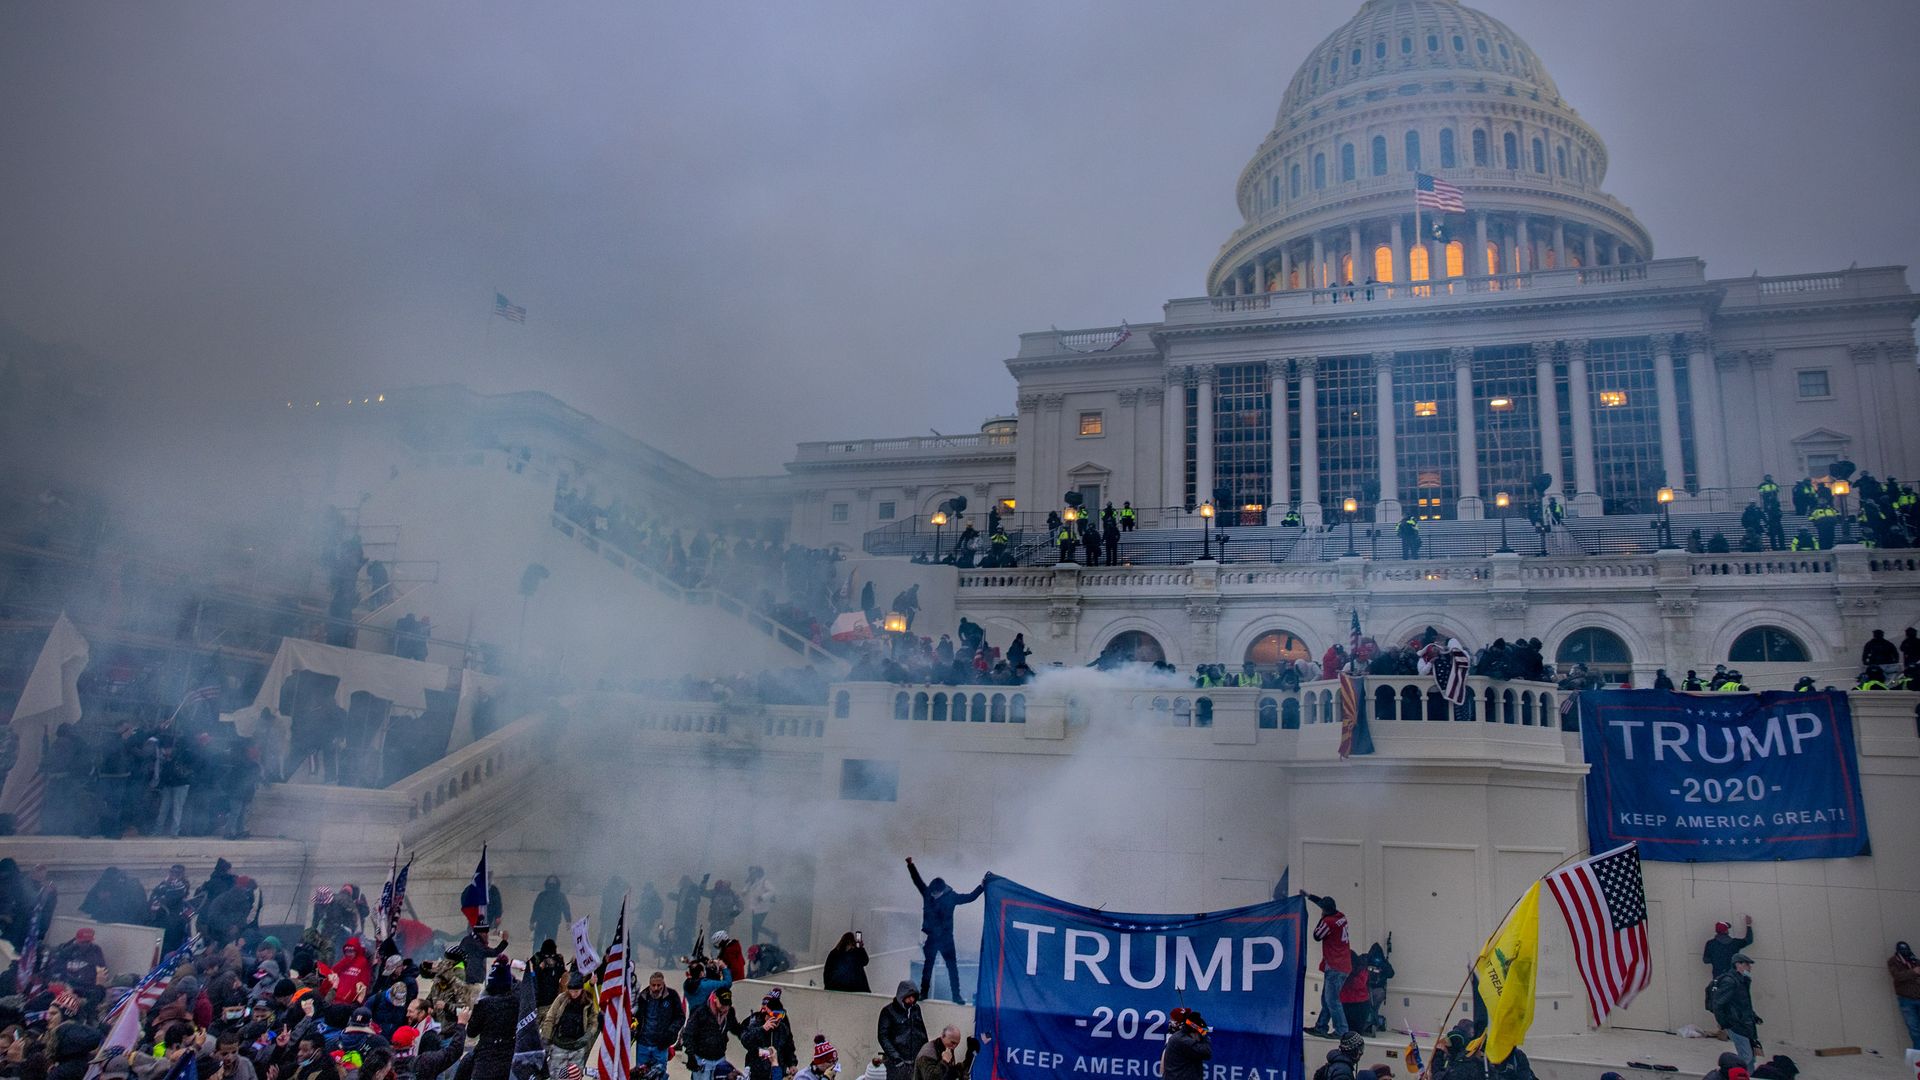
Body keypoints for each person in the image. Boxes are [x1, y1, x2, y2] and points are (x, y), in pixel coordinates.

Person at [905, 858, 985, 1003]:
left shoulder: (951, 897)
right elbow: (917, 880)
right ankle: (924, 993)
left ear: (942, 891)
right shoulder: (927, 893)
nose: (933, 895)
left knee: (952, 967)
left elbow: (970, 897)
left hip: (946, 938)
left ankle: (956, 995)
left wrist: (982, 886)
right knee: (928, 967)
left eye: (936, 893)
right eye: (932, 893)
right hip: (932, 938)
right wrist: (910, 865)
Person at [1307, 894, 1353, 1038]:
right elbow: (1323, 903)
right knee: (1327, 999)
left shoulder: (1328, 922)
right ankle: (1321, 1027)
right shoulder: (1341, 916)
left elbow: (1316, 935)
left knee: (1332, 1000)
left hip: (1335, 966)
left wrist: (1322, 918)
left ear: (1325, 911)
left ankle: (1341, 1031)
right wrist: (1309, 896)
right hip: (1343, 965)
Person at [465, 963, 519, 1080]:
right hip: (509, 1054)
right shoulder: (517, 1002)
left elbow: (471, 1032)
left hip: (486, 1056)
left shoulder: (484, 1004)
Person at [540, 972, 597, 1080]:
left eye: (576, 991)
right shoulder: (561, 999)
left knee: (574, 1077)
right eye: (571, 991)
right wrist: (546, 1039)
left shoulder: (588, 1002)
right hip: (559, 1046)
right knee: (555, 1076)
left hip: (577, 1048)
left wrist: (587, 1036)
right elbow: (550, 1018)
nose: (573, 994)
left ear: (581, 989)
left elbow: (593, 1022)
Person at [1708, 954, 1761, 1070]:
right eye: (1746, 964)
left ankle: (1746, 1076)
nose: (1749, 968)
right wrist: (1724, 1023)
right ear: (1738, 965)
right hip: (1736, 1024)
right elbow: (1718, 1004)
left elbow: (1743, 1003)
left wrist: (1753, 1016)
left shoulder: (1742, 981)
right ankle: (1736, 1076)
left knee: (1751, 1058)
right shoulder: (1730, 981)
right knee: (1746, 1057)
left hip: (1745, 1024)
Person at [681, 984, 742, 1080]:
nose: (725, 1007)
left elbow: (735, 1028)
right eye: (722, 1004)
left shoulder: (729, 1013)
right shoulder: (701, 1012)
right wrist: (690, 1055)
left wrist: (745, 1033)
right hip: (702, 1059)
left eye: (727, 1004)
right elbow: (688, 1034)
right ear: (715, 999)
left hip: (719, 1058)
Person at [739, 990, 797, 1080]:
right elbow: (745, 1040)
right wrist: (762, 1029)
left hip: (776, 1072)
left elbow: (789, 1048)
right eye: (774, 1015)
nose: (777, 1019)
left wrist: (792, 1064)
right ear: (766, 1014)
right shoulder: (755, 1025)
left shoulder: (783, 1028)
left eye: (781, 1016)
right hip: (757, 1074)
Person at [633, 971, 685, 1069]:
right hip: (643, 1044)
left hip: (661, 1046)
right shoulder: (643, 996)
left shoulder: (672, 996)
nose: (656, 988)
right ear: (649, 984)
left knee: (660, 1074)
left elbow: (680, 1017)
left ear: (663, 984)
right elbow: (635, 1016)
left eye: (658, 985)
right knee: (640, 1074)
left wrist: (671, 1032)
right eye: (653, 985)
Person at [877, 982, 927, 1080]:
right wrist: (896, 1059)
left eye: (913, 997)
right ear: (901, 995)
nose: (911, 1000)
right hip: (896, 1064)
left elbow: (922, 1033)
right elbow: (883, 1037)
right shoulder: (888, 1011)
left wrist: (924, 1054)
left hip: (913, 1063)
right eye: (909, 997)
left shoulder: (915, 1009)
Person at [1159, 1008, 1212, 1080]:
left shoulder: (1179, 1036)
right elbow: (1206, 1052)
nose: (1199, 1039)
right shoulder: (1183, 1041)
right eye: (1199, 1034)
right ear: (1193, 1032)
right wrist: (1204, 1034)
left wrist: (1199, 1030)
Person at [1889, 941, 1920, 1051]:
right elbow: (1897, 976)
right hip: (1906, 999)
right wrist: (1913, 972)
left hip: (1918, 996)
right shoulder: (1894, 961)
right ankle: (1918, 1056)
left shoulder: (1914, 960)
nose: (1905, 951)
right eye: (1902, 949)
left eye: (1906, 949)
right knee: (1914, 1030)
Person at [1703, 916, 1754, 980]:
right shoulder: (1734, 943)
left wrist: (1717, 959)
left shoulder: (1710, 944)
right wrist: (1748, 925)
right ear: (1726, 931)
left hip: (1718, 977)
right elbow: (1749, 940)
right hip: (1733, 977)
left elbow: (1706, 960)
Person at [530, 876, 572, 946]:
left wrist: (568, 920)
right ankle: (536, 956)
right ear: (547, 883)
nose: (552, 883)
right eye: (550, 881)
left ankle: (549, 956)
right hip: (541, 922)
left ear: (557, 883)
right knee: (538, 942)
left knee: (550, 943)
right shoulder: (542, 895)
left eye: (554, 882)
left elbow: (566, 908)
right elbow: (536, 908)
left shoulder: (561, 896)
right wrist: (532, 921)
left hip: (553, 923)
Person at [745, 866, 777, 946]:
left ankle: (772, 934)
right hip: (755, 908)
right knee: (754, 928)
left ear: (759, 873)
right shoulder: (753, 881)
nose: (752, 874)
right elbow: (746, 889)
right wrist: (744, 891)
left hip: (763, 908)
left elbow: (772, 890)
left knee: (756, 926)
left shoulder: (764, 881)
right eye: (751, 873)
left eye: (754, 872)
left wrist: (763, 897)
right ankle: (754, 946)